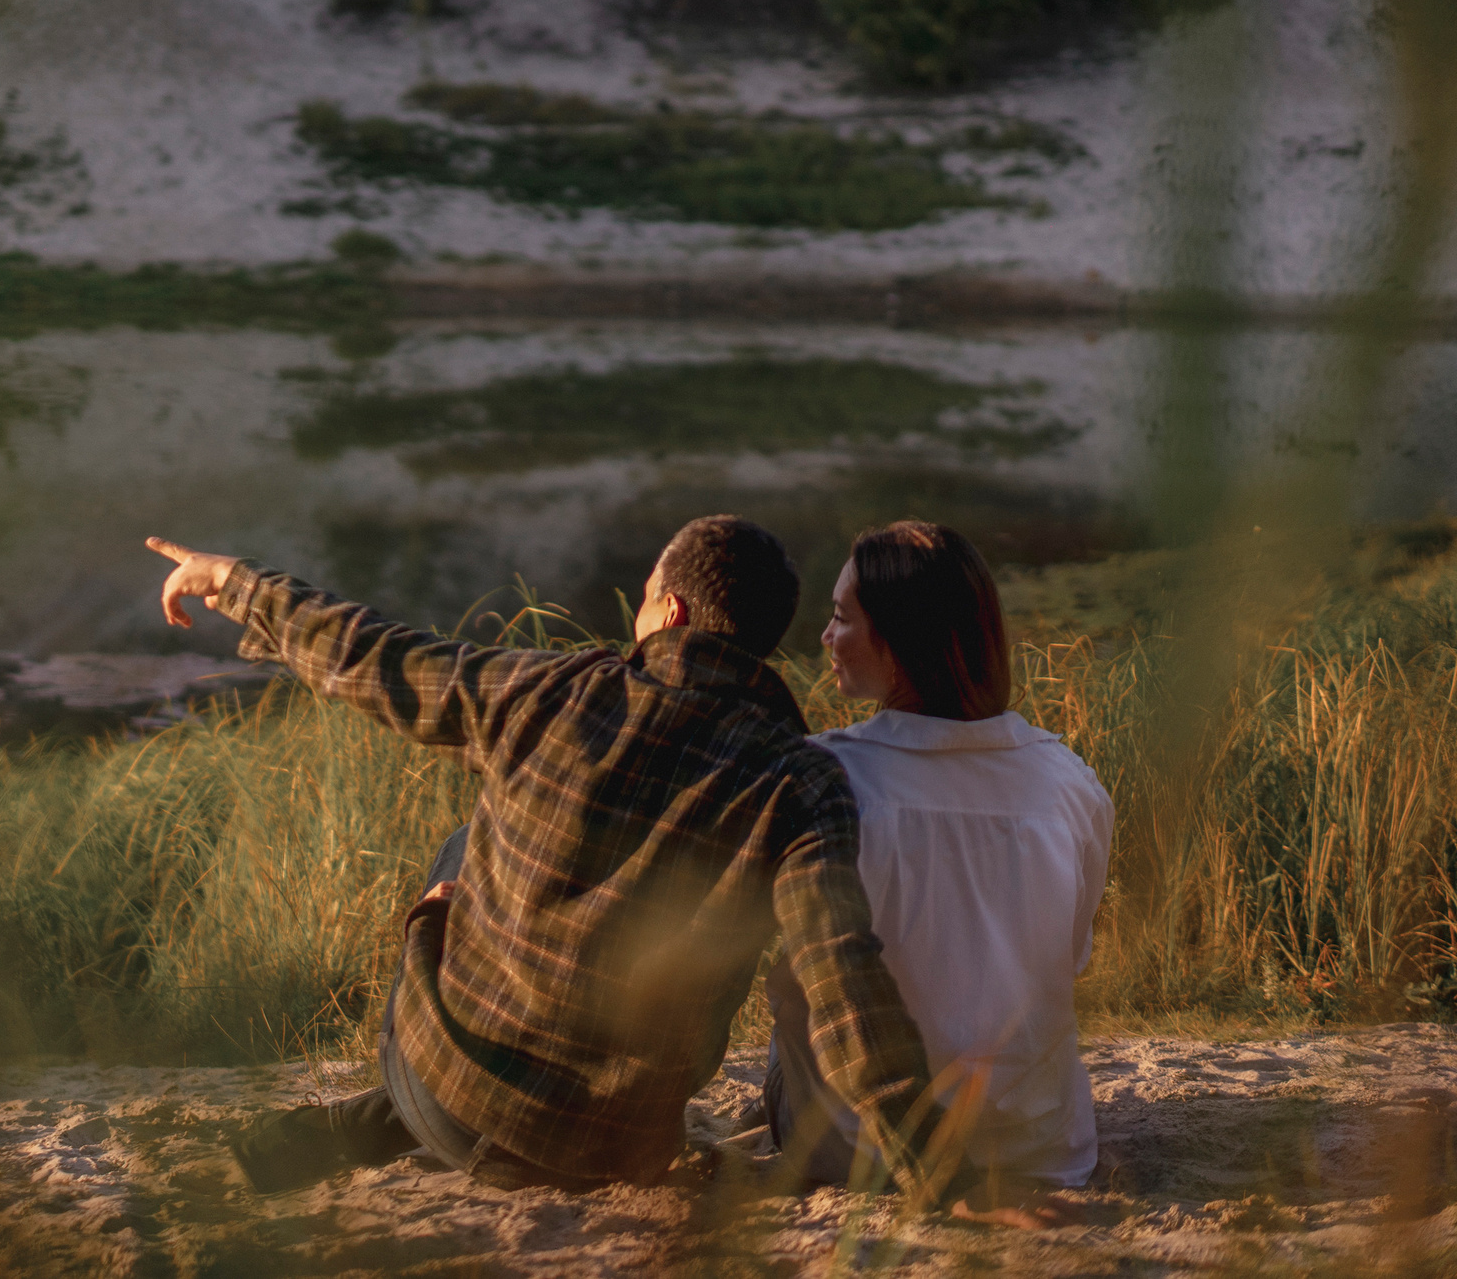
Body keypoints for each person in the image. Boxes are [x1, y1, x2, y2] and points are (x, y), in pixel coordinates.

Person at [144, 518, 1040, 1214]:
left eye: (649, 592)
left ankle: (393, 1110)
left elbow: (374, 656)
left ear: (674, 611)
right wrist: (939, 1173)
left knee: (464, 846)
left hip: (445, 1097)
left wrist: (237, 584)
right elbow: (846, 982)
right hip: (620, 1145)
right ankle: (430, 1112)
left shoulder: (547, 689)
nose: (641, 608)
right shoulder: (802, 782)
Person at [764, 520, 1114, 1192]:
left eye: (841, 617)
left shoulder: (827, 774)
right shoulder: (1070, 780)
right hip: (1040, 1146)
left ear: (898, 642)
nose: (825, 637)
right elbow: (1069, 958)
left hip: (866, 1152)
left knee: (794, 992)